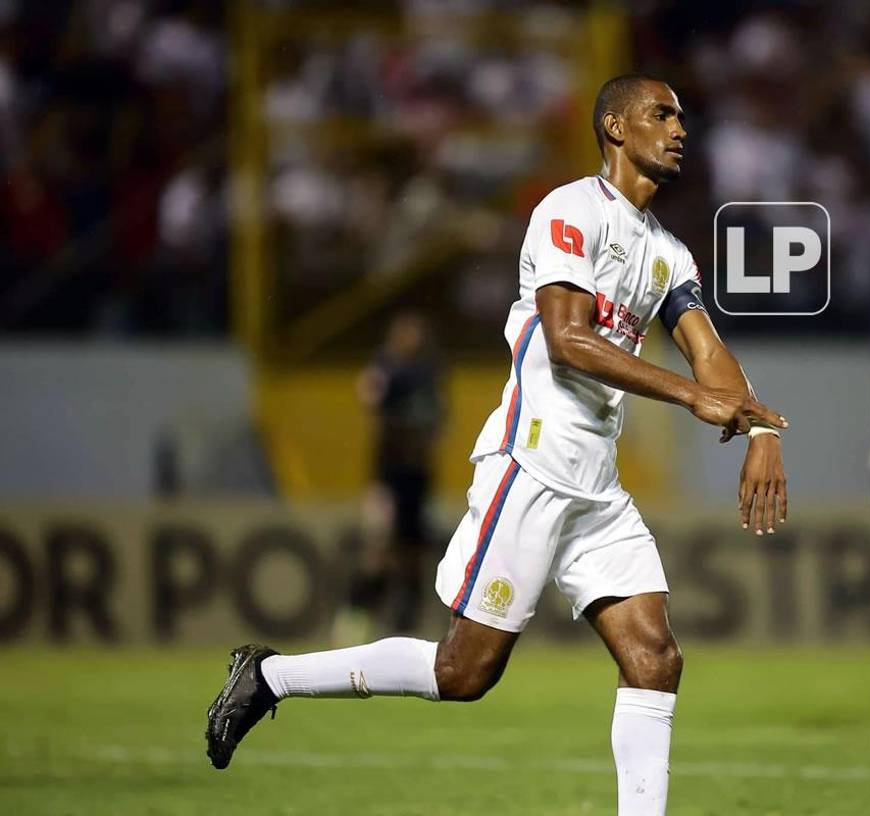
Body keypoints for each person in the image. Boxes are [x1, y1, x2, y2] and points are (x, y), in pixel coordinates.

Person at [206, 74, 789, 815]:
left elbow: (709, 352)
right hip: (534, 463)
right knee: (464, 672)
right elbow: (569, 340)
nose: (680, 128)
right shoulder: (569, 210)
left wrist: (759, 425)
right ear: (615, 126)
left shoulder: (668, 253)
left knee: (655, 657)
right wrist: (692, 396)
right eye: (661, 113)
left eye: (682, 116)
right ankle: (271, 677)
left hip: (596, 485)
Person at [337, 310, 444, 638]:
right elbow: (368, 393)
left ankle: (404, 626)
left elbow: (439, 419)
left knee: (412, 552)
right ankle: (355, 616)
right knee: (379, 548)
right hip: (387, 476)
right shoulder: (387, 367)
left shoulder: (429, 372)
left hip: (417, 476)